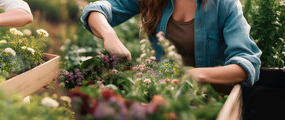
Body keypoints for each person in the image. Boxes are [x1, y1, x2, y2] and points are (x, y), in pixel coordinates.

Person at [81, 0, 262, 90]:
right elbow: (97, 9)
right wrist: (109, 34)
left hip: (213, 100)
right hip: (166, 95)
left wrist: (192, 74)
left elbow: (247, 64)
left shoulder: (225, 4)